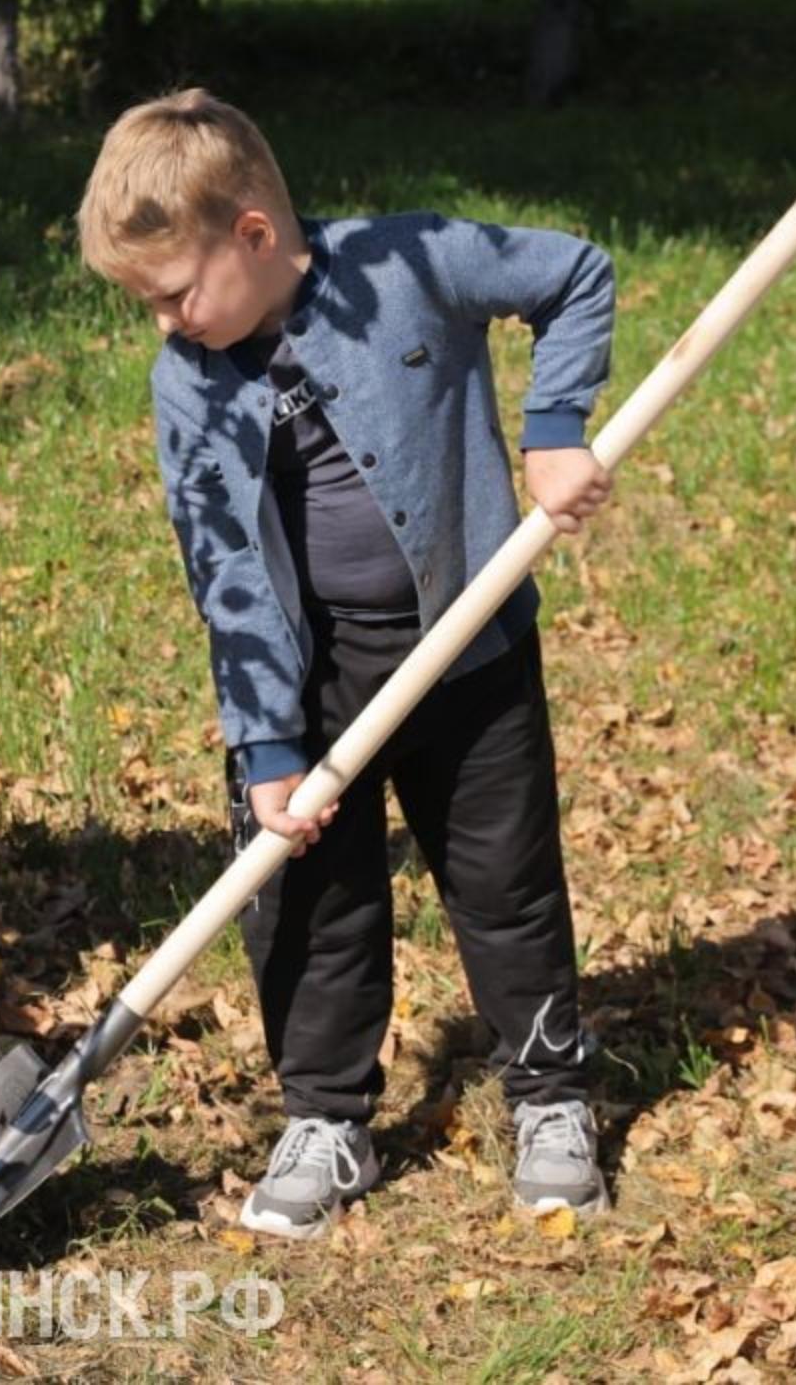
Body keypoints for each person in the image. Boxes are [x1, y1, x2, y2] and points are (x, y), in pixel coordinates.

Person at [76, 89, 618, 1241]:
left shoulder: (407, 263)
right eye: (147, 303)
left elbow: (573, 273)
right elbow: (221, 560)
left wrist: (556, 424)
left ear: (255, 237)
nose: (166, 323)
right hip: (313, 681)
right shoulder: (190, 378)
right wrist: (265, 741)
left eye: (175, 293)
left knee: (507, 885)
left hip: (469, 656)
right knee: (307, 903)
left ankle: (550, 1095)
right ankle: (326, 1118)